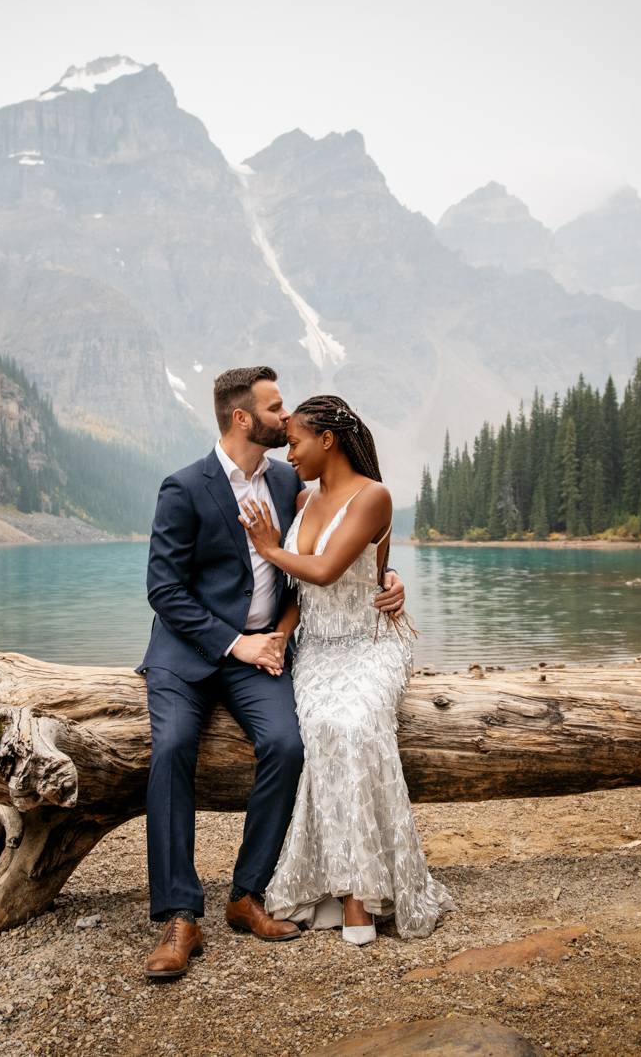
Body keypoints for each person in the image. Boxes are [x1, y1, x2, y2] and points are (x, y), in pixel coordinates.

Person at [139, 367, 406, 980]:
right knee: (173, 747)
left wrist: (381, 583)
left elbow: (314, 566)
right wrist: (237, 644)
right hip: (188, 654)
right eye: (275, 408)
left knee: (287, 744)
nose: (286, 420)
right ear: (242, 417)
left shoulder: (291, 481)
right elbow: (163, 591)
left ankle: (246, 894)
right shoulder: (183, 487)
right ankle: (180, 915)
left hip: (267, 650)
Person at [239, 394, 452, 945]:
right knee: (324, 730)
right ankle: (337, 881)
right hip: (317, 648)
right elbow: (301, 590)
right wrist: (283, 634)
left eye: (296, 443)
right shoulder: (304, 499)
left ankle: (361, 893)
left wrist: (267, 546)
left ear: (327, 440)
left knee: (357, 725)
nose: (290, 454)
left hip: (371, 642)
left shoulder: (373, 496)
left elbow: (331, 571)